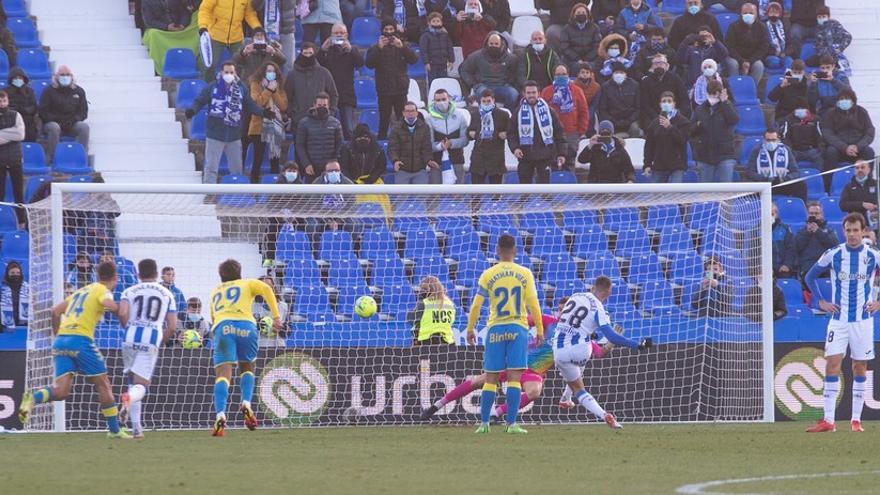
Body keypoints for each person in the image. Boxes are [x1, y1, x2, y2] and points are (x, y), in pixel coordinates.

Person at [18, 262, 130, 439]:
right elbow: (108, 303)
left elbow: (55, 311)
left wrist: (57, 335)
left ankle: (32, 399)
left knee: (61, 392)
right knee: (103, 384)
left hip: (61, 341)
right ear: (115, 278)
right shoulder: (102, 290)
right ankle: (115, 430)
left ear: (97, 274)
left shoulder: (82, 290)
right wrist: (119, 308)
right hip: (80, 340)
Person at [804, 212, 879, 433]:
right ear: (843, 231)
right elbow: (809, 277)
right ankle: (829, 420)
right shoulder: (834, 254)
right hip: (838, 321)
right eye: (848, 230)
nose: (853, 234)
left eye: (856, 230)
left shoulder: (873, 255)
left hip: (863, 321)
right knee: (832, 364)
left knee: (860, 366)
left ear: (863, 231)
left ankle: (856, 420)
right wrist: (820, 301)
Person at [466, 234, 544, 434]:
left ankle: (484, 424)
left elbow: (476, 304)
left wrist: (470, 328)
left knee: (490, 378)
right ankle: (511, 424)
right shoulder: (525, 273)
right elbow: (533, 304)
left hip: (496, 328)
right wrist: (541, 330)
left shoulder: (488, 274)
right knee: (515, 378)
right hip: (518, 328)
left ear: (497, 250)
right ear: (515, 251)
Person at [553, 277, 651, 429]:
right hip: (581, 351)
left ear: (593, 287)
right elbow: (611, 336)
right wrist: (637, 345)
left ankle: (570, 399)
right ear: (609, 292)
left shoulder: (575, 296)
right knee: (586, 355)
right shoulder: (598, 308)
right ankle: (603, 414)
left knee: (578, 389)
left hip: (559, 351)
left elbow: (562, 318)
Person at [209, 258, 282, 436]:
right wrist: (276, 316)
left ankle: (220, 415)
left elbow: (213, 317)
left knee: (223, 375)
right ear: (239, 272)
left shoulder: (215, 292)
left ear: (221, 276)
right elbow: (266, 288)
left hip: (223, 326)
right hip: (246, 327)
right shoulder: (247, 283)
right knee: (247, 367)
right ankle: (246, 403)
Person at [117, 259, 178, 440]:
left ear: (138, 274)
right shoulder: (167, 293)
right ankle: (128, 399)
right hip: (151, 338)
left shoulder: (129, 291)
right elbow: (172, 325)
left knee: (132, 382)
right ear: (157, 274)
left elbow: (122, 313)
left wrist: (127, 327)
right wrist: (162, 341)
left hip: (130, 338)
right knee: (141, 386)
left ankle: (137, 429)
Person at [186, 62, 272, 184]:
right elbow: (200, 101)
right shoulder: (212, 87)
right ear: (221, 73)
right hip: (215, 134)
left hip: (234, 135)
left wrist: (263, 112)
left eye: (231, 72)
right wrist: (192, 110)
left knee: (237, 169)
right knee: (211, 168)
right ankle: (209, 193)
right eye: (226, 72)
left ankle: (237, 194)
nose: (229, 74)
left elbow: (251, 105)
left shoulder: (242, 88)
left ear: (235, 73)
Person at [365, 20, 418, 139]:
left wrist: (402, 47)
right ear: (382, 31)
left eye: (391, 29)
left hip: (400, 89)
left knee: (402, 120)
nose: (389, 32)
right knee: (384, 120)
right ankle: (382, 143)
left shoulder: (402, 45)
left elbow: (414, 60)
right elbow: (369, 64)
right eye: (386, 30)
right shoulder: (375, 47)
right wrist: (379, 48)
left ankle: (404, 143)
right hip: (384, 90)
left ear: (395, 30)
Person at [508, 80, 567, 184]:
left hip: (545, 155)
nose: (531, 95)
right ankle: (524, 200)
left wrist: (561, 153)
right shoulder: (517, 112)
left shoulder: (549, 111)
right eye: (529, 93)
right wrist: (515, 148)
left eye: (534, 92)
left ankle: (546, 200)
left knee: (545, 190)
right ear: (524, 94)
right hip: (525, 155)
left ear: (538, 93)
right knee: (524, 190)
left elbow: (559, 132)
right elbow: (512, 133)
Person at [318, 23, 364, 141]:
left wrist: (351, 50)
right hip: (328, 95)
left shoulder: (352, 50)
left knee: (348, 129)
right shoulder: (326, 50)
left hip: (346, 94)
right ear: (331, 35)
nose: (339, 36)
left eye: (341, 33)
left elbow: (360, 64)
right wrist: (322, 50)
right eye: (336, 33)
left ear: (347, 35)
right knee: (327, 129)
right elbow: (316, 66)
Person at [198, 0, 262, 80]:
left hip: (236, 37)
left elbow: (249, 14)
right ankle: (209, 89)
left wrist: (257, 27)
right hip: (215, 36)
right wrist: (203, 26)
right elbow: (205, 10)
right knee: (210, 65)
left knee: (240, 65)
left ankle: (238, 88)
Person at [822, 89, 875, 185]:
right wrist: (844, 147)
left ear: (853, 100)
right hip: (839, 149)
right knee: (830, 152)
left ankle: (868, 183)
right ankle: (828, 186)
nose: (844, 101)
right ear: (837, 101)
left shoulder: (862, 112)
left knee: (869, 152)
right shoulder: (831, 113)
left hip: (858, 149)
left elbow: (869, 131)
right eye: (841, 99)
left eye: (847, 98)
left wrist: (858, 146)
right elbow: (827, 133)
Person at [247, 61, 288, 183]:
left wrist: (274, 92)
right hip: (258, 127)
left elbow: (283, 105)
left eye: (273, 71)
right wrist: (269, 90)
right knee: (258, 158)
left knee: (275, 159)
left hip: (275, 127)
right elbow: (257, 103)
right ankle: (254, 185)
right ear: (263, 72)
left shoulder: (279, 86)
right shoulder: (255, 84)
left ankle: (275, 185)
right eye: (268, 71)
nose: (271, 73)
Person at [541, 64, 588, 168]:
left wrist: (580, 132)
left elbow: (584, 112)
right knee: (550, 164)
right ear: (553, 76)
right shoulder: (546, 91)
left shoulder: (577, 91)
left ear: (568, 75)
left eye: (563, 74)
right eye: (558, 74)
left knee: (569, 164)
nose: (561, 76)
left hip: (571, 134)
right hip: (551, 134)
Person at [691, 80, 738, 183]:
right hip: (705, 155)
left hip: (725, 154)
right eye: (712, 93)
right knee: (705, 192)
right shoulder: (700, 109)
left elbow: (733, 120)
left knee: (725, 190)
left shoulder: (727, 106)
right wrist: (698, 125)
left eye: (716, 92)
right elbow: (691, 130)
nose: (714, 95)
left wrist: (725, 102)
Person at [39, 66, 89, 163]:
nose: (65, 77)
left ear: (71, 76)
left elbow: (83, 112)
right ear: (57, 76)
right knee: (54, 127)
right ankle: (54, 158)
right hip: (52, 122)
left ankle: (82, 157)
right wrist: (57, 120)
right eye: (62, 75)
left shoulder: (79, 91)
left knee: (84, 127)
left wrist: (73, 120)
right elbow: (43, 111)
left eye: (67, 75)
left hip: (71, 123)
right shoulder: (48, 91)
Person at [284, 42, 338, 130]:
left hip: (321, 121)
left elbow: (334, 94)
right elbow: (287, 97)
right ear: (300, 54)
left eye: (310, 53)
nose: (308, 56)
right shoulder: (292, 75)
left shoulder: (324, 73)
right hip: (298, 121)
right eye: (305, 53)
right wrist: (292, 113)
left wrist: (330, 112)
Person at [459, 31, 519, 110]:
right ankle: (484, 117)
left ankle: (506, 116)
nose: (493, 46)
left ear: (502, 44)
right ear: (487, 43)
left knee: (513, 94)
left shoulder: (511, 58)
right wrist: (473, 84)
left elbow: (515, 73)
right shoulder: (476, 56)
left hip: (502, 86)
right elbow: (464, 69)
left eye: (496, 44)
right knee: (483, 95)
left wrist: (509, 83)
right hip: (483, 86)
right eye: (491, 44)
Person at [745, 128, 806, 202]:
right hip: (763, 185)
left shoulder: (786, 150)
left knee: (801, 185)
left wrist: (784, 179)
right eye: (768, 140)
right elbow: (750, 172)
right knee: (747, 189)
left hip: (781, 184)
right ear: (764, 140)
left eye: (773, 140)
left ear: (778, 140)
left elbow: (796, 172)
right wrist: (765, 179)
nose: (771, 142)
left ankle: (802, 209)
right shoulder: (756, 150)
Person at [295, 92, 344, 183]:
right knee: (312, 196)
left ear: (328, 105)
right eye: (319, 105)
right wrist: (306, 164)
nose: (322, 107)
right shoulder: (304, 123)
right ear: (314, 105)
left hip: (330, 170)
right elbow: (300, 145)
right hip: (311, 168)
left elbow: (339, 145)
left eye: (324, 105)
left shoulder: (335, 123)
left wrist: (333, 164)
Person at [425, 89, 471, 184]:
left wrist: (451, 143)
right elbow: (428, 143)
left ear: (449, 99)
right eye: (438, 100)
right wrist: (439, 146)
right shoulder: (429, 118)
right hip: (437, 162)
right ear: (434, 101)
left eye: (443, 99)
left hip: (457, 159)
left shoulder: (460, 116)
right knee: (435, 195)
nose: (441, 102)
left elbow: (465, 139)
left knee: (458, 194)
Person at [643, 91, 690, 183]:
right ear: (660, 104)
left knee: (675, 195)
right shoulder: (654, 123)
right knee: (656, 196)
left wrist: (670, 127)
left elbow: (683, 140)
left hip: (677, 166)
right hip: (659, 165)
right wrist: (647, 164)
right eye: (664, 101)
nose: (666, 103)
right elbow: (649, 146)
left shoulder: (683, 121)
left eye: (669, 101)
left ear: (674, 104)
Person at [468, 89, 510, 184]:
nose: (486, 103)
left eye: (488, 101)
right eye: (484, 101)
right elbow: (469, 132)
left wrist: (503, 134)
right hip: (478, 158)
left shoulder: (503, 115)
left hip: (496, 159)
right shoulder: (475, 114)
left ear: (493, 100)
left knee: (496, 194)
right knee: (475, 194)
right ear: (480, 102)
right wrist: (471, 133)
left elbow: (509, 132)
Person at [388, 101, 436, 184]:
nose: (410, 113)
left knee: (421, 196)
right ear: (403, 113)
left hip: (420, 170)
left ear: (417, 113)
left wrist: (428, 160)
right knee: (401, 197)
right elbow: (392, 148)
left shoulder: (424, 127)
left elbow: (426, 147)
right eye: (408, 111)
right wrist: (395, 160)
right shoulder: (396, 128)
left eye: (413, 111)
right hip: (402, 169)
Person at [724, 2, 769, 86]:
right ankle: (735, 87)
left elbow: (764, 47)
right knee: (733, 64)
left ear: (756, 14)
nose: (748, 15)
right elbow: (729, 46)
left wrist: (751, 61)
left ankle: (750, 88)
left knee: (759, 66)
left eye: (751, 13)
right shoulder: (733, 26)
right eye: (745, 13)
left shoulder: (762, 27)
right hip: (735, 57)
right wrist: (742, 61)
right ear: (741, 14)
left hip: (753, 58)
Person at [639, 53, 689, 128]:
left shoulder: (675, 78)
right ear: (652, 66)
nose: (658, 65)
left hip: (674, 114)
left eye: (661, 63)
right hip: (654, 116)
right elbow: (645, 104)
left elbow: (684, 99)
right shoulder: (646, 81)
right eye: (655, 63)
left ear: (666, 66)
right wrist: (658, 118)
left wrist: (677, 114)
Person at [0, 90, 25, 227]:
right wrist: (10, 135)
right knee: (0, 194)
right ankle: (2, 221)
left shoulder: (16, 115)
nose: (2, 103)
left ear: (8, 101)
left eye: (4, 100)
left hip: (15, 159)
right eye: (0, 101)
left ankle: (22, 222)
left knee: (18, 193)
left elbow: (20, 134)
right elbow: (14, 134)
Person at [795, 202, 838, 280]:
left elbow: (834, 245)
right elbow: (797, 247)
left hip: (825, 267)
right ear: (807, 215)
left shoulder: (829, 230)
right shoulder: (802, 232)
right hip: (807, 267)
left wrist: (818, 231)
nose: (814, 216)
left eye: (816, 213)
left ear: (821, 215)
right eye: (811, 213)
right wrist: (807, 233)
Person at [597, 62, 641, 138]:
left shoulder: (634, 85)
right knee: (606, 128)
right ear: (612, 74)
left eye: (621, 72)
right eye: (616, 72)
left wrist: (629, 120)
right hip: (612, 120)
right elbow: (602, 109)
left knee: (635, 129)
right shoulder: (605, 87)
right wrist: (613, 121)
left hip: (630, 120)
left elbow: (638, 107)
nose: (619, 74)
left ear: (626, 74)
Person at [409, 276, 456, 345]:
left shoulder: (424, 303)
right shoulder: (450, 303)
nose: (420, 291)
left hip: (425, 342)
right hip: (448, 342)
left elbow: (413, 320)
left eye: (423, 289)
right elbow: (452, 321)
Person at [780, 97, 823, 172]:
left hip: (811, 149)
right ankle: (794, 179)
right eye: (798, 108)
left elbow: (820, 136)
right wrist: (790, 150)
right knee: (788, 159)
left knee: (820, 158)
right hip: (795, 150)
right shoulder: (788, 119)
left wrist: (820, 149)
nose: (800, 110)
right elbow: (785, 137)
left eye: (803, 108)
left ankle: (817, 178)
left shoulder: (815, 119)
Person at [558, 3, 602, 74]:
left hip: (590, 59)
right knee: (575, 66)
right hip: (573, 59)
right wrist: (577, 59)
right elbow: (565, 46)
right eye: (578, 13)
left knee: (592, 66)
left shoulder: (594, 27)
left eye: (583, 12)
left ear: (588, 14)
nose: (581, 14)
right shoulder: (567, 28)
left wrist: (587, 59)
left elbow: (597, 45)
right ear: (573, 15)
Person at [767, 59, 808, 124]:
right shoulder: (785, 83)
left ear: (803, 73)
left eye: (799, 73)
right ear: (791, 72)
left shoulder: (807, 85)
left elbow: (810, 103)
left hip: (800, 115)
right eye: (795, 72)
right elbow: (771, 98)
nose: (797, 75)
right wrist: (781, 87)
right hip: (784, 115)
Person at [253, 275, 290, 347]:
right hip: (258, 347)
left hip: (278, 346)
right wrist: (260, 325)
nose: (267, 290)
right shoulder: (251, 307)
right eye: (263, 287)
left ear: (273, 288)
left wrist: (281, 328)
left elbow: (289, 330)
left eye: (269, 287)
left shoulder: (283, 306)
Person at [419, 12, 454, 84]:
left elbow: (449, 48)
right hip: (432, 64)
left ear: (441, 22)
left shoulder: (445, 34)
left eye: (438, 21)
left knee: (443, 81)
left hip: (443, 63)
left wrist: (451, 60)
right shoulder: (426, 35)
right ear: (429, 23)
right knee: (433, 82)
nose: (436, 23)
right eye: (433, 21)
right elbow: (423, 50)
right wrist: (426, 62)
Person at [764, 2, 797, 74]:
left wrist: (785, 53)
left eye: (776, 12)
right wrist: (774, 52)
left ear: (780, 14)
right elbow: (762, 45)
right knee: (775, 62)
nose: (773, 14)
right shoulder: (763, 27)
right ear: (767, 13)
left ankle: (788, 78)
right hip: (770, 55)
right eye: (771, 12)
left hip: (784, 54)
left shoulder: (784, 26)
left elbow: (792, 44)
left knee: (789, 61)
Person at [6, 68, 37, 142]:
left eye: (20, 78)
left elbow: (34, 107)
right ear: (11, 79)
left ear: (24, 79)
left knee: (30, 126)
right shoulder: (5, 91)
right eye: (15, 78)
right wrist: (15, 110)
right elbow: (4, 106)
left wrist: (25, 110)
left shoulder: (30, 91)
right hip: (11, 118)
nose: (18, 80)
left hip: (27, 119)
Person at [573, 63, 601, 135]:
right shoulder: (573, 86)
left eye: (587, 72)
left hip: (590, 112)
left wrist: (587, 115)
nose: (585, 74)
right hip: (577, 112)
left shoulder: (596, 87)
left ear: (591, 74)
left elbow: (595, 104)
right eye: (582, 72)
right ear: (578, 74)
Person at [771, 203, 796, 279]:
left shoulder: (785, 228)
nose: (770, 216)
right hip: (764, 269)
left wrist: (787, 265)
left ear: (776, 214)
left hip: (782, 268)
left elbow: (791, 248)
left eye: (772, 213)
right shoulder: (756, 230)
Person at [0, 260, 28, 329]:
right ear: (7, 274)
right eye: (12, 273)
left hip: (24, 326)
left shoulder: (27, 288)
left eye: (18, 273)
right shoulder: (1, 288)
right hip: (5, 326)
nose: (15, 275)